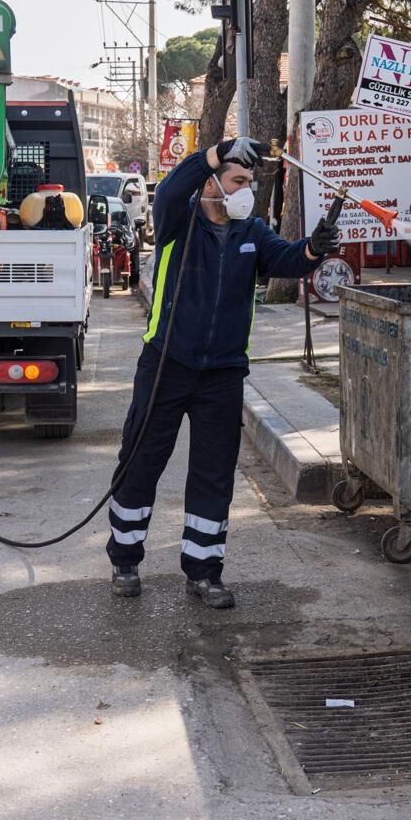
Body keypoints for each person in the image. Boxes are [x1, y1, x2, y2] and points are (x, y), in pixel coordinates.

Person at [107, 137, 341, 607]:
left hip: (223, 375)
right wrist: (217, 151)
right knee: (141, 461)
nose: (246, 191)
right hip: (167, 365)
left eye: (250, 183)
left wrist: (314, 249)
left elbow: (286, 260)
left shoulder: (252, 231)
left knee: (214, 474)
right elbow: (173, 187)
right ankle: (126, 560)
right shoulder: (179, 221)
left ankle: (204, 572)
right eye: (238, 181)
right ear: (212, 184)